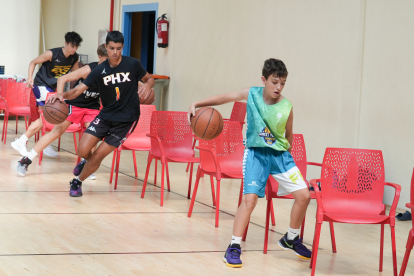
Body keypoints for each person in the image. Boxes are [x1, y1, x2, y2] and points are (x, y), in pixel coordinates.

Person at [187, 59, 312, 267]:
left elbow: (289, 137)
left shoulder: (287, 106)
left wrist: (284, 159)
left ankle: (291, 238)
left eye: (282, 83)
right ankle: (234, 246)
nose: (278, 87)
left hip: (280, 156)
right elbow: (224, 97)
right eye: (274, 82)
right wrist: (197, 104)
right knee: (250, 200)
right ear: (264, 80)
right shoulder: (252, 94)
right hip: (255, 154)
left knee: (304, 195)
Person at [47, 31, 155, 197]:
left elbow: (149, 79)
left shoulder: (133, 64)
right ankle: (86, 163)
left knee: (98, 155)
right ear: (106, 47)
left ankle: (77, 181)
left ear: (122, 48)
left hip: (126, 120)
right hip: (105, 116)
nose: (114, 52)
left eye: (118, 49)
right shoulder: (99, 70)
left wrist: (147, 87)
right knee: (83, 150)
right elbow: (77, 90)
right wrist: (62, 95)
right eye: (111, 48)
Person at [16, 44, 108, 179]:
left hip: (92, 107)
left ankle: (85, 167)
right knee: (56, 132)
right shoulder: (89, 69)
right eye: (106, 59)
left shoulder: (114, 70)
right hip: (75, 103)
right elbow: (63, 78)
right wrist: (59, 97)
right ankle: (26, 160)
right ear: (99, 57)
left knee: (93, 136)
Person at [11, 31, 83, 158]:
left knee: (46, 117)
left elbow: (76, 73)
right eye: (72, 45)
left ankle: (27, 142)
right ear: (65, 43)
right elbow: (33, 62)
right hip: (40, 85)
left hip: (52, 88)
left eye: (76, 46)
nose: (74, 49)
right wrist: (29, 78)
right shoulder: (52, 53)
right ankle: (29, 142)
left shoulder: (74, 57)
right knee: (50, 115)